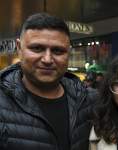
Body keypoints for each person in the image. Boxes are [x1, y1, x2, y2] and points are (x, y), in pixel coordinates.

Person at [0, 13, 97, 150]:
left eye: (57, 51)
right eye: (37, 48)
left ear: (68, 53)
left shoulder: (90, 100)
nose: (47, 59)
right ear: (19, 48)